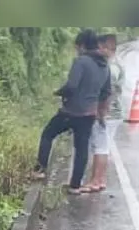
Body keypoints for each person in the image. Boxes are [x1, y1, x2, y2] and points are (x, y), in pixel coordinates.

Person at [31, 29, 112, 194]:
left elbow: (72, 86)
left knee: (48, 134)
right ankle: (75, 186)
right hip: (90, 114)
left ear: (82, 45)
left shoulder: (81, 61)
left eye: (77, 47)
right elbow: (106, 92)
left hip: (71, 112)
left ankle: (39, 170)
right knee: (82, 148)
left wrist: (59, 92)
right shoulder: (105, 66)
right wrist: (98, 108)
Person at [81, 33, 123, 193]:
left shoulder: (111, 69)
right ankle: (101, 179)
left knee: (100, 147)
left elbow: (107, 93)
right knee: (103, 146)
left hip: (107, 114)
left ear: (106, 48)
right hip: (112, 113)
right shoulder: (113, 64)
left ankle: (95, 181)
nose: (97, 50)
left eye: (99, 47)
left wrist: (101, 113)